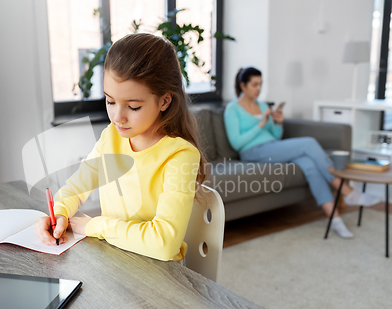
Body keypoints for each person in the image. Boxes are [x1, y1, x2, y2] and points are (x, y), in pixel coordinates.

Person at [35, 33, 209, 263]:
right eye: (110, 101)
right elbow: (76, 186)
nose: (118, 117)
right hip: (115, 261)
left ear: (164, 101)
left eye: (133, 106)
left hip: (161, 276)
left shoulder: (180, 156)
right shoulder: (111, 138)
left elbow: (164, 244)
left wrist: (95, 225)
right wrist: (60, 212)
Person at [224, 67, 382, 239]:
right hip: (252, 152)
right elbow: (237, 143)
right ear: (243, 85)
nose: (258, 89)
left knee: (308, 163)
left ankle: (335, 220)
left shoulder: (262, 106)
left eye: (260, 84)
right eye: (254, 84)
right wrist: (261, 124)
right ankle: (347, 190)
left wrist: (278, 123)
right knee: (309, 143)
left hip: (272, 147)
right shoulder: (232, 109)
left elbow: (276, 136)